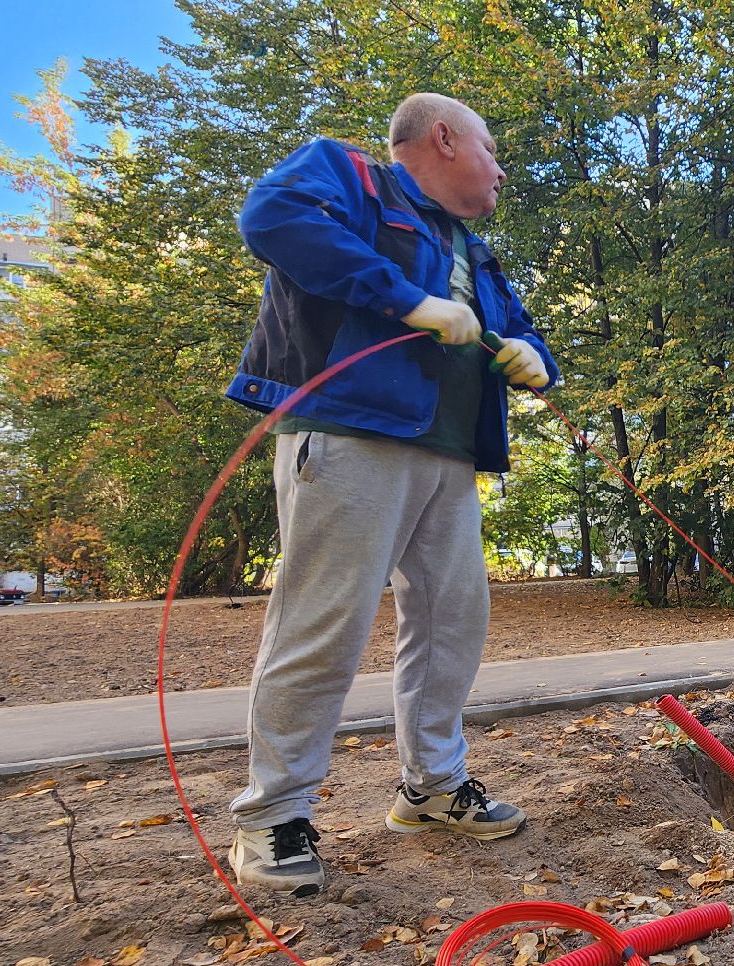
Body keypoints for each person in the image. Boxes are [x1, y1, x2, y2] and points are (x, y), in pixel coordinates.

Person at [222, 94, 559, 895]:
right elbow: (271, 220)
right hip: (349, 435)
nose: (502, 168)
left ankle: (431, 788)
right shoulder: (348, 175)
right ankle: (271, 818)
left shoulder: (473, 251)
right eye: (490, 145)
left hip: (448, 456)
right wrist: (404, 299)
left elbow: (520, 328)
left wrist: (534, 356)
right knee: (324, 623)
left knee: (452, 625)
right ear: (442, 137)